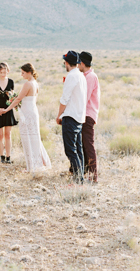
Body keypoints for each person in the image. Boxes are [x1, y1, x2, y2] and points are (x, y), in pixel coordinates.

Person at [2, 63, 51, 172]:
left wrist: (7, 109)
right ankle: (39, 162)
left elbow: (18, 99)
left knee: (28, 139)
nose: (21, 75)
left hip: (28, 115)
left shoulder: (28, 84)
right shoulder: (35, 83)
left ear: (29, 72)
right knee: (35, 138)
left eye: (23, 73)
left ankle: (33, 166)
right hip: (33, 112)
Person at [56, 50, 87, 183]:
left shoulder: (71, 76)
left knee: (70, 149)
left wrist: (59, 115)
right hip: (79, 116)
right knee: (78, 148)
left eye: (65, 61)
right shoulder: (81, 76)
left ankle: (78, 178)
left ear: (67, 63)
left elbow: (65, 98)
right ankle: (80, 176)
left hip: (71, 116)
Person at [78, 51, 100, 183]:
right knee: (84, 145)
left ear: (82, 63)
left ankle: (93, 177)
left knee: (88, 145)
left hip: (87, 114)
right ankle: (86, 172)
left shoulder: (90, 77)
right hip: (84, 113)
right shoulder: (85, 76)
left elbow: (83, 98)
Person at [0, 62, 17, 164]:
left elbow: (14, 98)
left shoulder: (11, 82)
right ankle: (2, 156)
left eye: (5, 72)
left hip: (8, 110)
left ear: (8, 71)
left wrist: (10, 94)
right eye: (1, 72)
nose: (3, 74)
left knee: (8, 135)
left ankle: (8, 156)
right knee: (0, 135)